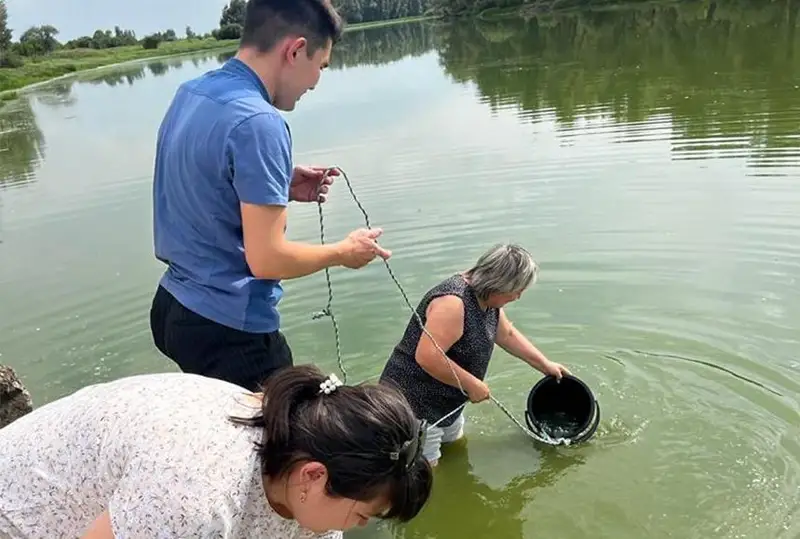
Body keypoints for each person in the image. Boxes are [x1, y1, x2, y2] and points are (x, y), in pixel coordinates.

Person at [149, 0, 392, 392]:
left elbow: (197, 179)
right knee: (283, 447)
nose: (315, 82)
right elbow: (267, 260)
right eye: (321, 67)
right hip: (229, 330)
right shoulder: (260, 122)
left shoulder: (192, 93)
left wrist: (276, 182)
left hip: (173, 308)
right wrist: (343, 253)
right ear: (295, 50)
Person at [0, 364, 433, 538]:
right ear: (313, 476)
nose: (355, 528)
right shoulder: (193, 493)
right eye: (362, 516)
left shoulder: (301, 455)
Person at [380, 243, 570, 466]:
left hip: (448, 401)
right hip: (413, 405)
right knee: (424, 473)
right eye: (516, 290)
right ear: (498, 284)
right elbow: (428, 357)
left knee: (458, 452)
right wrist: (472, 385)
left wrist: (545, 365)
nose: (518, 296)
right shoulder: (453, 302)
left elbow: (506, 334)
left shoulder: (488, 300)